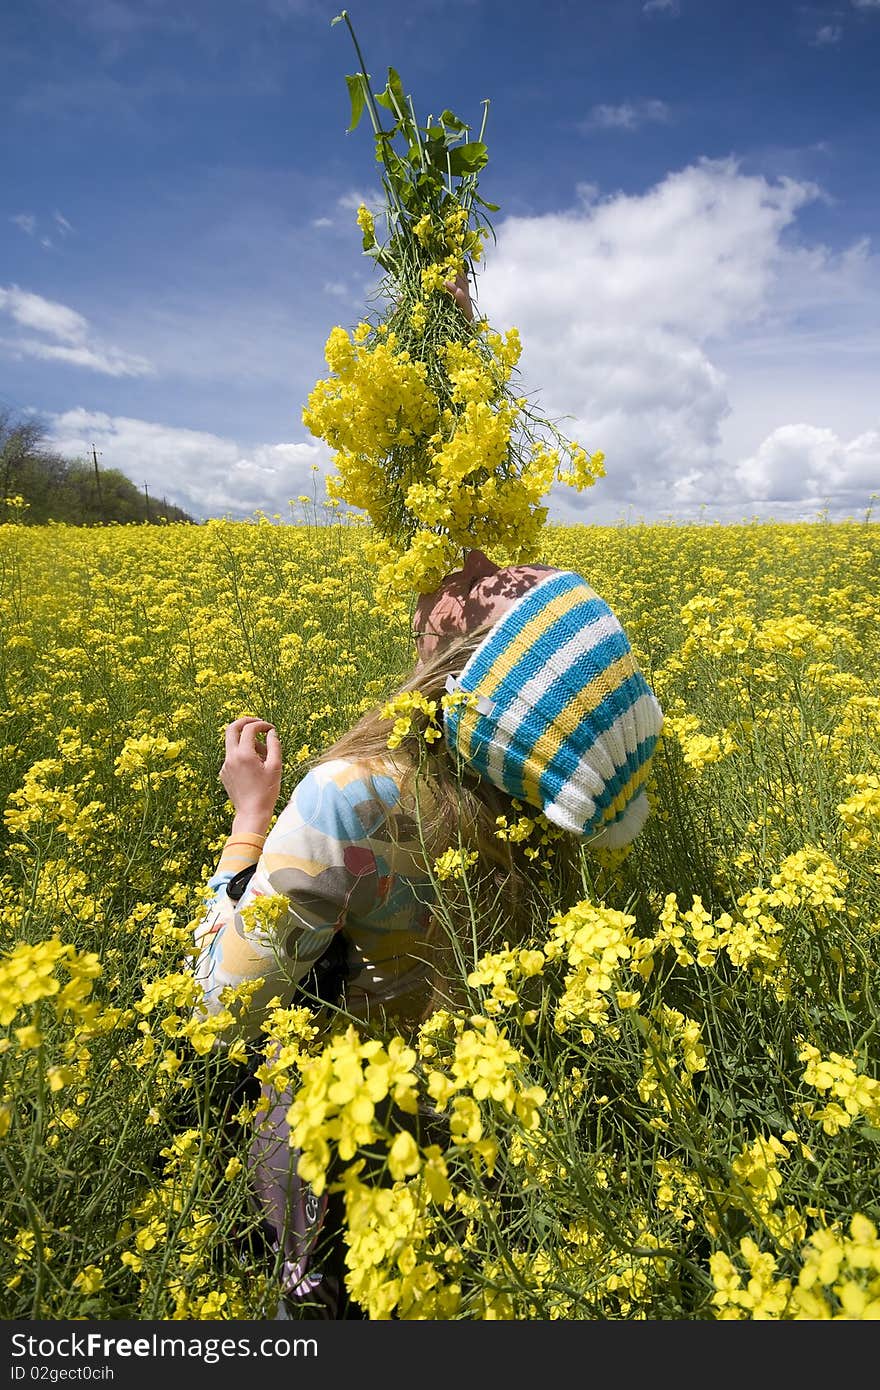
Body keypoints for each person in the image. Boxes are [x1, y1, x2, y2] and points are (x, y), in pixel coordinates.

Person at [190, 277, 665, 1319]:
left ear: (471, 670)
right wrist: (455, 350)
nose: (471, 563)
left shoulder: (352, 802)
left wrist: (249, 819)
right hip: (478, 1158)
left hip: (340, 1173)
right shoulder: (556, 803)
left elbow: (221, 1011)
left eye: (491, 581)